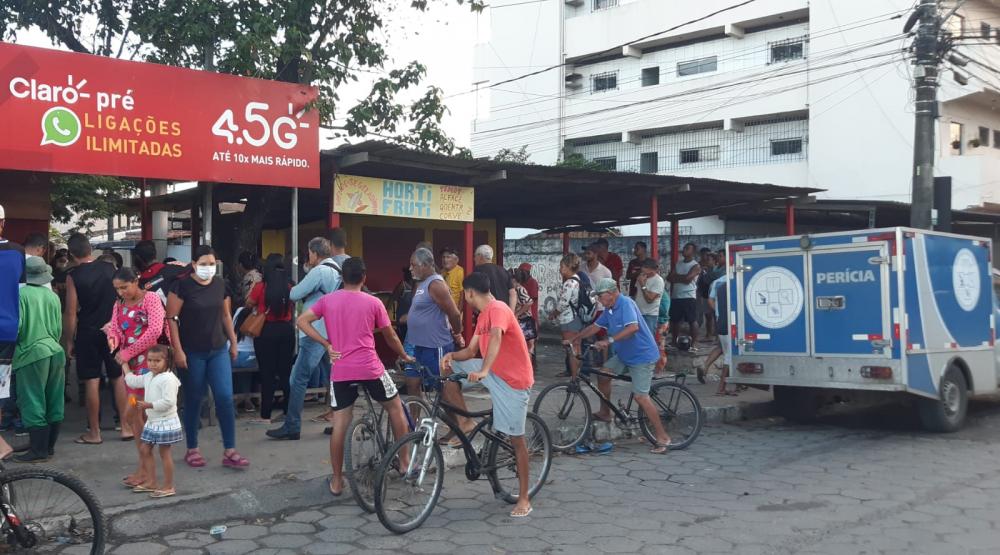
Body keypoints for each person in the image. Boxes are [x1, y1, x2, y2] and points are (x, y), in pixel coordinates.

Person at [296, 257, 415, 496]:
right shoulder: (373, 303)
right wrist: (404, 355)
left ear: (342, 278)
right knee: (395, 407)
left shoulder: (328, 301)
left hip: (341, 370)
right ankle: (404, 462)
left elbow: (302, 321)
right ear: (364, 277)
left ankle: (338, 481)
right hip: (371, 368)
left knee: (340, 423)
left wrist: (326, 344)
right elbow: (390, 336)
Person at [443, 271, 535, 518]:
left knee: (517, 440)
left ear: (470, 292)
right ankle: (465, 421)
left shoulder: (498, 309)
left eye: (465, 294)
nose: (466, 298)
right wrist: (451, 357)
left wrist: (483, 369)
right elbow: (471, 350)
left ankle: (524, 498)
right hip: (492, 372)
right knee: (448, 376)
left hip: (512, 381)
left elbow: (496, 338)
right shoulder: (483, 314)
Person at [565, 278, 672, 453]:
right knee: (603, 375)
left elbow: (633, 328)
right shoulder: (609, 309)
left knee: (641, 397)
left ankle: (663, 437)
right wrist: (575, 339)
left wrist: (609, 341)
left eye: (601, 296)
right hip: (624, 354)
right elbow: (595, 326)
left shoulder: (625, 303)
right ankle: (605, 412)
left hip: (641, 356)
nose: (599, 300)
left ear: (612, 292)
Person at [166, 245, 249, 469]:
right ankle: (192, 448)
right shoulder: (181, 286)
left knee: (224, 397)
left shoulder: (220, 284)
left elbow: (225, 314)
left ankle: (230, 450)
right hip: (192, 352)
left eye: (211, 264)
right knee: (194, 398)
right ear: (193, 265)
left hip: (218, 349)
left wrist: (233, 341)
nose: (208, 268)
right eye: (203, 264)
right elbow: (171, 319)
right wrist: (178, 350)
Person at [267, 236, 342, 440]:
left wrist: (293, 285)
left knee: (297, 379)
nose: (308, 256)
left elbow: (295, 294)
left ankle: (292, 426)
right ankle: (339, 423)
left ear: (315, 253)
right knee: (332, 380)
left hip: (314, 332)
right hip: (331, 332)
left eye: (309, 252)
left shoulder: (319, 271)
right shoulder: (336, 269)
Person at [64, 232, 131, 444]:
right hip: (112, 330)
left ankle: (94, 432)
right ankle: (126, 427)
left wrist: (68, 340)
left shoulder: (73, 276)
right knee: (118, 376)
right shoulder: (110, 269)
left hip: (88, 331)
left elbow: (71, 311)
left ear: (72, 254)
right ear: (90, 250)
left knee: (92, 379)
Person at [106, 267, 167, 487]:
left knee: (136, 415)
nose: (122, 292)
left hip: (148, 369)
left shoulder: (150, 299)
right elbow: (115, 328)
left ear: (136, 281)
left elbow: (154, 332)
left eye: (125, 287)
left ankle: (147, 473)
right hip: (129, 369)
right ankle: (144, 470)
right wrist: (113, 338)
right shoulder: (118, 304)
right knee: (135, 418)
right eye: (117, 289)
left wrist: (126, 354)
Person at [405, 248, 469, 439]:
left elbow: (454, 313)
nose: (410, 269)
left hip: (436, 346)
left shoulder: (436, 284)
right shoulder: (422, 283)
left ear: (425, 265)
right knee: (413, 385)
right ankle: (412, 429)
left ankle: (462, 424)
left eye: (413, 265)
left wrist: (457, 333)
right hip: (419, 346)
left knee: (445, 389)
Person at [12, 257, 65, 462]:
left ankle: (38, 450)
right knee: (54, 399)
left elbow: (18, 327)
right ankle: (48, 447)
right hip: (55, 350)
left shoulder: (21, 294)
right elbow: (58, 328)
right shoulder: (52, 296)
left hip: (31, 353)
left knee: (32, 399)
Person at [124, 345, 182, 498]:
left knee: (164, 452)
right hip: (153, 420)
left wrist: (149, 405)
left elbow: (169, 402)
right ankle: (152, 481)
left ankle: (169, 486)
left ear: (167, 361)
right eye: (150, 360)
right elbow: (133, 381)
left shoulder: (168, 379)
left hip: (165, 420)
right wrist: (124, 364)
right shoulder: (149, 376)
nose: (153, 364)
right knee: (145, 449)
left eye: (157, 360)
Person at [245, 254, 295, 424]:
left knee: (267, 374)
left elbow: (249, 303)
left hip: (266, 331)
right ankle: (289, 412)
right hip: (287, 331)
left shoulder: (261, 286)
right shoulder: (290, 286)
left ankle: (265, 415)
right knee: (285, 374)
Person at [0, 205, 24, 460]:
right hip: (9, 328)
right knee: (2, 379)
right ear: (3, 223)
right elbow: (24, 292)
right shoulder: (17, 251)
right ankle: (4, 428)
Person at [549, 254, 583, 379]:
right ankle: (577, 375)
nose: (560, 269)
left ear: (569, 267)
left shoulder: (569, 283)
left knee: (572, 350)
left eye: (562, 266)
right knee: (576, 348)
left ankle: (574, 377)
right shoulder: (577, 279)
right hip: (575, 318)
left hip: (569, 320)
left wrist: (554, 314)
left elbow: (563, 304)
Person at [702, 265, 733, 392]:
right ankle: (721, 387)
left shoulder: (718, 282)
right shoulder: (735, 282)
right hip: (731, 322)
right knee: (729, 355)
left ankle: (704, 368)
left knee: (722, 348)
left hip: (721, 320)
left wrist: (718, 312)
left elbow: (710, 301)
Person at [667, 242, 701, 349]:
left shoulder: (696, 265)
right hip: (676, 296)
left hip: (689, 296)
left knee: (692, 320)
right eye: (684, 247)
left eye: (687, 248)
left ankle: (694, 343)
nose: (684, 249)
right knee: (674, 320)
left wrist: (677, 277)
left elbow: (687, 279)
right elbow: (669, 278)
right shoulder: (678, 263)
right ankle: (674, 341)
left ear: (693, 252)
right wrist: (682, 277)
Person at [472, 245, 516, 310]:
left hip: (487, 312)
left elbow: (474, 294)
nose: (474, 259)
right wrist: (511, 313)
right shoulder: (503, 270)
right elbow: (512, 293)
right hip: (504, 312)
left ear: (480, 256)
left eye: (475, 256)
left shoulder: (477, 271)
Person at [633, 258, 664, 338]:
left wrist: (643, 284)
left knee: (648, 338)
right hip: (638, 313)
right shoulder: (641, 277)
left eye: (644, 267)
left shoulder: (658, 281)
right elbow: (637, 293)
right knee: (637, 338)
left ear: (650, 269)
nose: (641, 269)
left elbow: (650, 299)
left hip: (649, 315)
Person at [511, 268, 537, 361]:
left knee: (527, 346)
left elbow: (529, 302)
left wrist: (517, 314)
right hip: (521, 320)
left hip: (525, 320)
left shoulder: (520, 289)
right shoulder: (514, 289)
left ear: (514, 280)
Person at [440, 247, 465, 312]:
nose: (445, 260)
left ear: (456, 260)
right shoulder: (442, 272)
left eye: (448, 257)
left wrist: (458, 314)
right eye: (443, 257)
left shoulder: (460, 272)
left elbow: (463, 295)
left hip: (454, 312)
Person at [517, 263, 540, 331]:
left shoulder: (533, 282)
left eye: (522, 272)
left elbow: (532, 299)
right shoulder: (521, 282)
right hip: (523, 313)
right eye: (520, 272)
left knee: (531, 334)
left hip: (531, 312)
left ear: (527, 273)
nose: (520, 274)